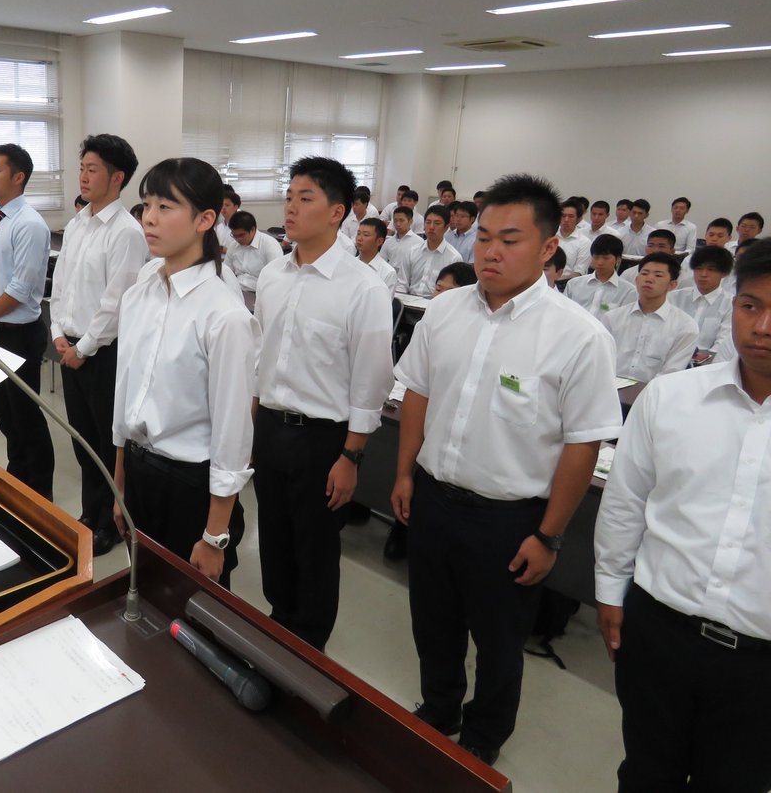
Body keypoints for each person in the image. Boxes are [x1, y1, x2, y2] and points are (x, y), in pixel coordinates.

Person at [391, 173, 621, 766]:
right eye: (486, 236)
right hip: (436, 499)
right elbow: (416, 392)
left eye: (510, 240)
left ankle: (484, 734)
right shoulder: (445, 311)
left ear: (549, 248)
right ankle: (438, 707)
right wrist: (404, 474)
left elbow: (582, 444)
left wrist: (549, 535)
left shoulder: (578, 337)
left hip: (511, 518)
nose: (491, 251)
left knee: (498, 641)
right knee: (432, 622)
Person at [594, 238, 771, 793]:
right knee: (647, 771)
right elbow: (627, 502)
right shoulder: (672, 399)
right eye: (751, 307)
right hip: (659, 628)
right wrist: (608, 592)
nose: (763, 326)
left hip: (760, 657)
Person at [253, 155, 394, 650]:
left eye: (305, 198)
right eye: (289, 196)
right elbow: (261, 355)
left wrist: (351, 455)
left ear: (337, 212)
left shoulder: (363, 289)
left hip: (322, 440)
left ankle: (308, 645)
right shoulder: (273, 275)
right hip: (270, 426)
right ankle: (279, 621)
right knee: (273, 538)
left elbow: (371, 382)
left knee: (313, 547)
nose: (291, 207)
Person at [111, 157, 259, 589]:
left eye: (165, 207)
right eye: (147, 205)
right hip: (139, 473)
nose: (149, 218)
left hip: (190, 487)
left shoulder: (223, 314)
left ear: (205, 219)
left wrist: (215, 536)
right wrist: (119, 484)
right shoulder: (142, 289)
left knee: (192, 611)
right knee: (145, 593)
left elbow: (233, 434)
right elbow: (126, 391)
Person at [50, 134, 146, 555]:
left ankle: (112, 521)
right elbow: (61, 287)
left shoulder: (126, 233)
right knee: (82, 438)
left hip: (102, 353)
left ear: (117, 177)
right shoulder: (76, 224)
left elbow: (116, 303)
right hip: (68, 346)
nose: (84, 177)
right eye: (82, 167)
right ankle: (91, 512)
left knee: (108, 445)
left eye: (93, 169)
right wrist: (57, 333)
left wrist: (82, 348)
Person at [0, 143, 56, 499]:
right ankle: (17, 474)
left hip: (19, 332)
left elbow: (20, 288)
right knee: (3, 412)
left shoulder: (30, 224)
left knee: (25, 416)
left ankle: (39, 491)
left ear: (18, 177)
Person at [603, 252, 698, 382]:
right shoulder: (612, 317)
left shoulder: (685, 326)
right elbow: (601, 360)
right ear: (636, 280)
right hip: (610, 390)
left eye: (658, 275)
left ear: (672, 285)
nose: (649, 279)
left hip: (654, 396)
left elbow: (670, 375)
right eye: (644, 273)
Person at [669, 245, 734, 352]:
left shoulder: (731, 304)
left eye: (711, 269)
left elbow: (723, 342)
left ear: (724, 273)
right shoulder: (674, 297)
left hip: (708, 363)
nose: (703, 274)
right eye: (699, 269)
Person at [563, 232, 636, 320]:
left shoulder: (628, 291)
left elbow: (625, 322)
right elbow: (564, 312)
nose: (600, 262)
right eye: (596, 257)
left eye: (606, 258)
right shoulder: (574, 284)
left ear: (618, 259)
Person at [397, 204, 461, 297]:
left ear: (446, 227)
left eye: (437, 223)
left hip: (436, 306)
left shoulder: (454, 258)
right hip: (409, 303)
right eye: (428, 222)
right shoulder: (412, 251)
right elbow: (402, 283)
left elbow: (453, 293)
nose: (431, 227)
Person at [225, 210, 283, 291]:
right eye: (234, 235)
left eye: (241, 235)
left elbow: (276, 278)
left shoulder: (270, 245)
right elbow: (226, 272)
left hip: (260, 292)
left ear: (252, 229)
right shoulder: (233, 246)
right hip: (237, 290)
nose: (237, 239)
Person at [356, 216, 398, 292]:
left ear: (379, 241)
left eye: (366, 235)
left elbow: (384, 303)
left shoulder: (388, 273)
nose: (359, 238)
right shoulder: (349, 264)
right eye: (358, 233)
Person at [556, 199, 590, 277]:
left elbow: (579, 271)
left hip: (567, 283)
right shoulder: (550, 236)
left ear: (578, 219)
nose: (566, 220)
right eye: (563, 216)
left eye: (571, 216)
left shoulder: (584, 242)